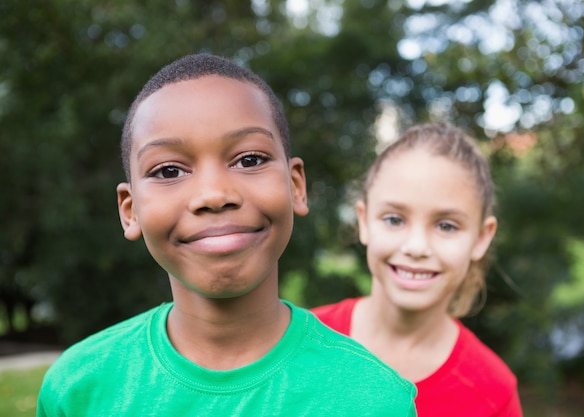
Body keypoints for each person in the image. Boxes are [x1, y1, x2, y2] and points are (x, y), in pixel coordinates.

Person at [36, 53, 416, 416]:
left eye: (249, 160)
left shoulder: (374, 400)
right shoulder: (77, 390)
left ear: (296, 185)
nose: (214, 195)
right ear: (130, 210)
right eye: (169, 171)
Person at [312, 122, 523, 416]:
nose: (416, 247)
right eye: (395, 219)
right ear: (364, 221)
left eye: (446, 226)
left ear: (481, 238)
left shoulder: (493, 393)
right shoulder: (302, 344)